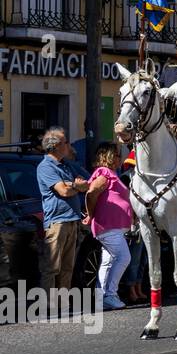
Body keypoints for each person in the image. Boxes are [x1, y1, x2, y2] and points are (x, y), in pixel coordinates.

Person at [36, 126, 90, 293]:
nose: (69, 145)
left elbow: (86, 183)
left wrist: (74, 185)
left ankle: (62, 304)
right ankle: (48, 306)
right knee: (52, 267)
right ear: (56, 145)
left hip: (71, 220)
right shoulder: (46, 167)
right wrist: (74, 185)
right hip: (57, 222)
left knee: (67, 267)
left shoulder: (66, 165)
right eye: (66, 142)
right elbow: (64, 191)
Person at [83, 142, 134, 310]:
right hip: (107, 225)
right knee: (123, 257)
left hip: (112, 226)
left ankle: (102, 296)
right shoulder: (104, 172)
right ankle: (109, 295)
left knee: (108, 261)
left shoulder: (111, 173)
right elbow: (91, 193)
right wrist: (90, 215)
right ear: (109, 156)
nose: (121, 158)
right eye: (118, 155)